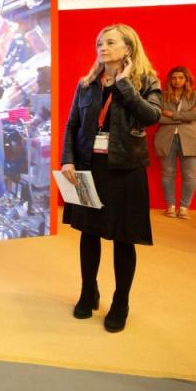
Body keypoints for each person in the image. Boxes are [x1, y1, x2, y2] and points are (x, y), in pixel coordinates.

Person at [60, 24, 161, 333]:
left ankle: (121, 302)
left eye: (110, 43)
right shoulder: (87, 83)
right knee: (88, 233)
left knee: (123, 238)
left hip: (125, 170)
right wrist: (67, 159)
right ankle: (88, 291)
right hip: (88, 167)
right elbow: (72, 124)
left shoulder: (146, 81)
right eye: (99, 43)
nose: (102, 48)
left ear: (128, 48)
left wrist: (123, 84)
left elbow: (151, 117)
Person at [154, 67, 196, 219]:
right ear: (170, 80)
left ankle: (184, 208)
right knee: (167, 174)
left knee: (189, 175)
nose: (177, 81)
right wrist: (186, 117)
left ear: (187, 79)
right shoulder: (162, 97)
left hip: (191, 139)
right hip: (166, 139)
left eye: (181, 77)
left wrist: (172, 115)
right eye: (174, 78)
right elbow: (157, 117)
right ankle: (170, 207)